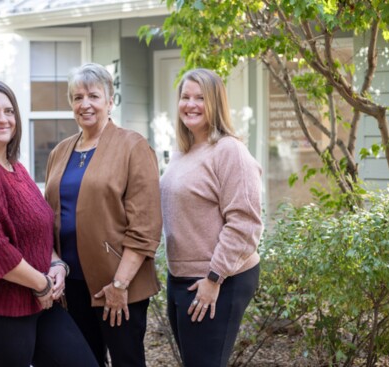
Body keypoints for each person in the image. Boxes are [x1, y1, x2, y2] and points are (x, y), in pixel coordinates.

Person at [0, 79, 98, 367]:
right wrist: (42, 284)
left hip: (36, 299)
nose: (3, 119)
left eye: (8, 111)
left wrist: (56, 265)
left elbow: (39, 230)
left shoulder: (15, 167)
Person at [44, 63, 162, 367]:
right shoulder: (60, 152)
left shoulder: (132, 146)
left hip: (118, 284)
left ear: (110, 101)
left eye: (94, 96)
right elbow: (48, 216)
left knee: (127, 361)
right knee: (83, 361)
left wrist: (119, 285)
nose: (85, 104)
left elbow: (145, 226)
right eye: (77, 97)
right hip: (72, 285)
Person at [160, 68, 263, 367]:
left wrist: (214, 278)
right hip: (182, 277)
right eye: (185, 97)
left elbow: (245, 222)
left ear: (215, 103)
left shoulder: (229, 150)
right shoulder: (184, 151)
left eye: (200, 98)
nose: (190, 104)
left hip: (219, 277)